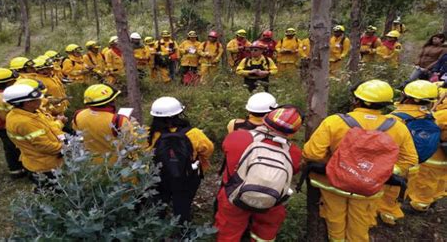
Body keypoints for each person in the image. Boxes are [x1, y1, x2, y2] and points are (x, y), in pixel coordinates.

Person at [303, 80, 417, 242]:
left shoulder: (334, 122)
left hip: (333, 184)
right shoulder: (398, 127)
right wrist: (381, 172)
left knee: (335, 220)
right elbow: (410, 160)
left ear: (356, 100)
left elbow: (312, 153)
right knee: (360, 224)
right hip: (369, 188)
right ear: (386, 105)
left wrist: (338, 166)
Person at [214, 107, 303, 242]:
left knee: (228, 233)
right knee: (265, 233)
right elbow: (293, 171)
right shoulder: (295, 153)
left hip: (233, 196)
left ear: (265, 120)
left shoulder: (237, 137)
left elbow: (228, 156)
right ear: (293, 133)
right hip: (270, 201)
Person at [377, 80, 438, 225]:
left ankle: (387, 215)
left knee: (389, 192)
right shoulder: (430, 115)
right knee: (402, 190)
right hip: (414, 164)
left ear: (408, 97)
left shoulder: (395, 118)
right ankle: (394, 209)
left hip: (396, 162)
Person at [148, 96, 214, 223]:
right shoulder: (193, 133)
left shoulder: (150, 134)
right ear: (178, 114)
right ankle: (182, 231)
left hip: (159, 177)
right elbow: (208, 149)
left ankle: (156, 229)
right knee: (183, 206)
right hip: (187, 177)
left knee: (158, 207)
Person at [3, 84, 64, 187]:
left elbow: (48, 127)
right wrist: (67, 147)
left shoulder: (32, 111)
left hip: (48, 161)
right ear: (25, 103)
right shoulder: (24, 122)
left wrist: (59, 123)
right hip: (44, 166)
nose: (40, 100)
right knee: (55, 193)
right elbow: (46, 146)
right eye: (36, 99)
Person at [407, 86, 447, 212]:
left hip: (436, 156)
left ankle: (420, 204)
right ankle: (434, 198)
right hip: (444, 159)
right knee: (440, 179)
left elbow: (431, 127)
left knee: (426, 180)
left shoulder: (442, 115)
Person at [72, 84, 134, 164]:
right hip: (115, 168)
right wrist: (133, 124)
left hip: (90, 165)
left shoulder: (78, 115)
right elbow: (131, 143)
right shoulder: (119, 120)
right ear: (110, 102)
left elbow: (78, 134)